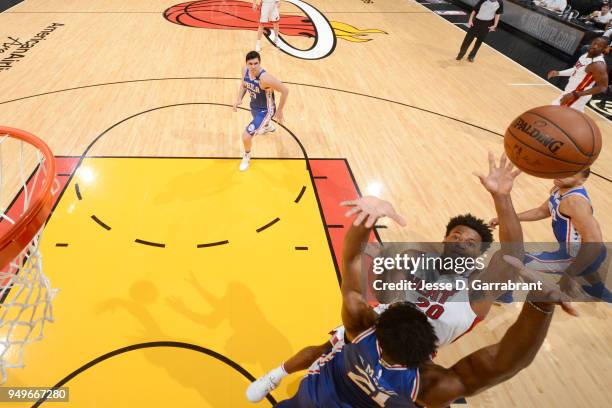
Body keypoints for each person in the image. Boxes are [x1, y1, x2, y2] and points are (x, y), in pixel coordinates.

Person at [248, 156, 576, 407]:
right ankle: (276, 375)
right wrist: (368, 220)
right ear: (445, 237)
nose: (461, 239)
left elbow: (513, 254)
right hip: (374, 330)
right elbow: (354, 263)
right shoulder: (418, 260)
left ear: (478, 254)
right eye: (456, 234)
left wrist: (502, 197)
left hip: (409, 356)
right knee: (324, 348)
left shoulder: (476, 291)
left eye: (470, 241)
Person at [492, 168, 612, 303]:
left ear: (582, 180)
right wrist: (507, 217)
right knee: (588, 267)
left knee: (513, 260)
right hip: (579, 253)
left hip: (579, 255)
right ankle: (599, 290)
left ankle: (504, 296)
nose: (561, 174)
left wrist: (570, 273)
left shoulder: (575, 202)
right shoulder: (559, 188)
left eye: (569, 173)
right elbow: (541, 211)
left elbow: (593, 242)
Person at [233, 51, 289, 171]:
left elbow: (285, 90)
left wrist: (279, 110)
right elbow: (244, 85)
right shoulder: (245, 70)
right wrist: (239, 98)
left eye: (256, 63)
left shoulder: (265, 79)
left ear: (260, 63)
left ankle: (247, 156)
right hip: (254, 106)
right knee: (260, 123)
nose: (253, 66)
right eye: (250, 63)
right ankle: (268, 126)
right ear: (246, 64)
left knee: (246, 136)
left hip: (266, 110)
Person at [548, 36, 609, 112]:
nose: (595, 46)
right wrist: (558, 73)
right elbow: (576, 70)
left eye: (599, 46)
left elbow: (603, 87)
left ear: (604, 49)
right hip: (570, 92)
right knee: (568, 119)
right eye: (594, 43)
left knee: (553, 112)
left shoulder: (598, 65)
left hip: (577, 96)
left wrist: (575, 94)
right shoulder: (586, 55)